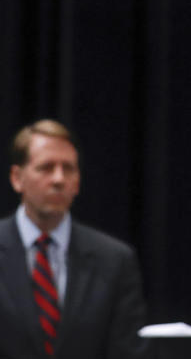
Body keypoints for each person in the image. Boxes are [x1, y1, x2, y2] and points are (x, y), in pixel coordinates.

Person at [1, 119, 149, 359]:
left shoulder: (114, 261)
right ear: (17, 178)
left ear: (77, 181)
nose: (59, 179)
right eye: (46, 168)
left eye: (68, 168)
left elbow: (126, 351)